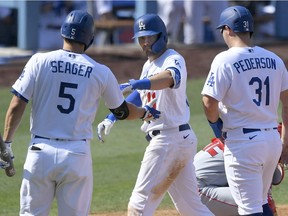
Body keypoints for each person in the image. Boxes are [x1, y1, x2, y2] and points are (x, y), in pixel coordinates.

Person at [3, 10, 160, 216]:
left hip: (40, 152)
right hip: (76, 155)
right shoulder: (99, 71)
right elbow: (121, 111)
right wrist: (143, 113)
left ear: (63, 33)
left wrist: (6, 143)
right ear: (90, 39)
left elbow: (17, 104)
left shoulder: (38, 61)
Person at [97, 13, 213, 216]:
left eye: (150, 37)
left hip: (168, 140)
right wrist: (112, 116)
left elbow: (169, 78)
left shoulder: (173, 58)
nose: (146, 43)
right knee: (192, 208)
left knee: (138, 207)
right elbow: (139, 96)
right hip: (178, 141)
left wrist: (137, 82)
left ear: (162, 35)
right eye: (141, 38)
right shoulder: (148, 66)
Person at [201, 5, 288, 216]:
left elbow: (208, 101)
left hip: (243, 145)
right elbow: (287, 103)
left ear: (228, 29)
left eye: (222, 30)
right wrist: (284, 142)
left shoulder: (225, 59)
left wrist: (215, 126)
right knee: (260, 202)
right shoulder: (274, 59)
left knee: (250, 209)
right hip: (271, 142)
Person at [194, 137, 284, 216]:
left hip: (190, 189)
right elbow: (266, 198)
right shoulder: (255, 151)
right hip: (197, 192)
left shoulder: (241, 140)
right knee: (255, 202)